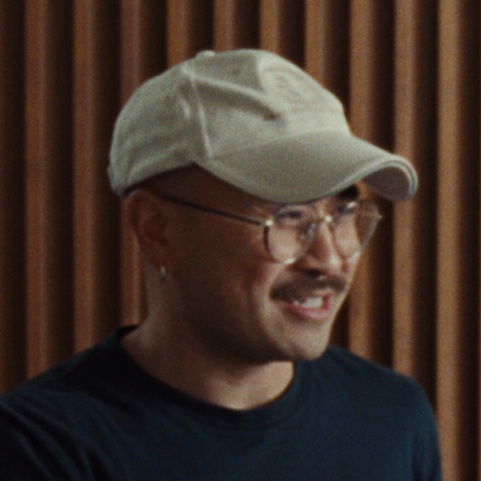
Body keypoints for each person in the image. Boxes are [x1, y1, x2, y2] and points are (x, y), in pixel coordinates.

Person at [0, 49, 441, 480]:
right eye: (287, 216)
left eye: (343, 213)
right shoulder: (41, 445)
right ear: (157, 230)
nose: (330, 257)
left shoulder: (393, 417)